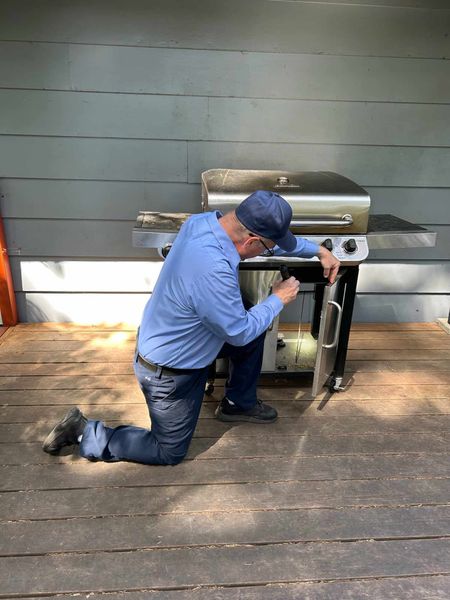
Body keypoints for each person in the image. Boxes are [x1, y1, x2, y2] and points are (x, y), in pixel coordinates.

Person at [42, 190, 340, 465]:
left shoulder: (204, 223)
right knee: (168, 451)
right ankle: (84, 432)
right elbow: (238, 331)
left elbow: (268, 245)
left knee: (254, 324)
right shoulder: (212, 268)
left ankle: (238, 403)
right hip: (169, 371)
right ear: (250, 241)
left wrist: (318, 251)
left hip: (183, 339)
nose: (267, 251)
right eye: (267, 247)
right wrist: (278, 299)